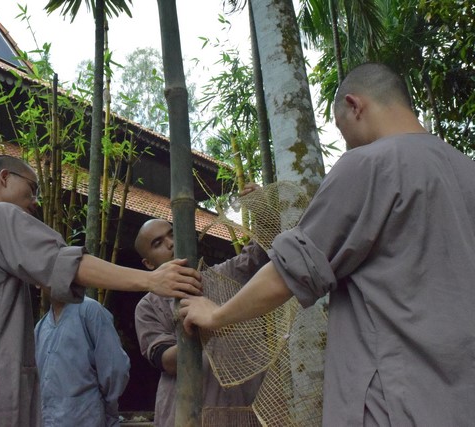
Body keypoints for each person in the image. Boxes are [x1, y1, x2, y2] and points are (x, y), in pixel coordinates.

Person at [180, 62, 475, 426]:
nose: (347, 141)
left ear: (354, 105)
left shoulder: (369, 164)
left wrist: (217, 315)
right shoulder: (467, 171)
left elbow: (288, 273)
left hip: (395, 401)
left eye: (341, 127)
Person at [0, 155, 201, 427]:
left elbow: (114, 371)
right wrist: (151, 280)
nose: (35, 201)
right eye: (32, 188)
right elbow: (65, 263)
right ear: (4, 178)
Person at [134, 213, 268, 427]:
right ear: (148, 263)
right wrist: (205, 327)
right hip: (187, 414)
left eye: (172, 234)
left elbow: (259, 254)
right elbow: (166, 360)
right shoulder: (148, 306)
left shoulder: (224, 275)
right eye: (158, 243)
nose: (171, 244)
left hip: (244, 408)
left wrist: (263, 212)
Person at [34, 295, 130, 427]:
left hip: (86, 418)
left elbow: (115, 367)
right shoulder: (41, 327)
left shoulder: (90, 310)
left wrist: (109, 409)